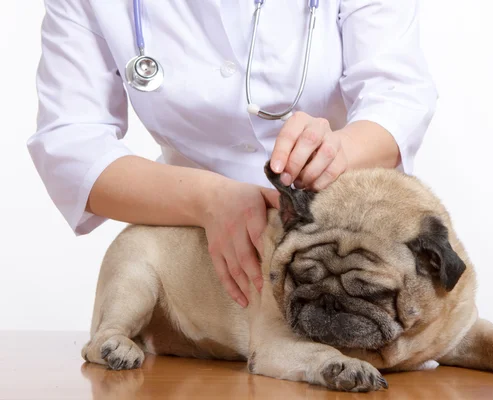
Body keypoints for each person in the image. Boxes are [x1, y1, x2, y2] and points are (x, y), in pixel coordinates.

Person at [27, 0, 437, 308]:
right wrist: (207, 199)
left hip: (344, 254)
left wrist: (340, 151)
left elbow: (398, 94)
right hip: (195, 263)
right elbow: (70, 145)